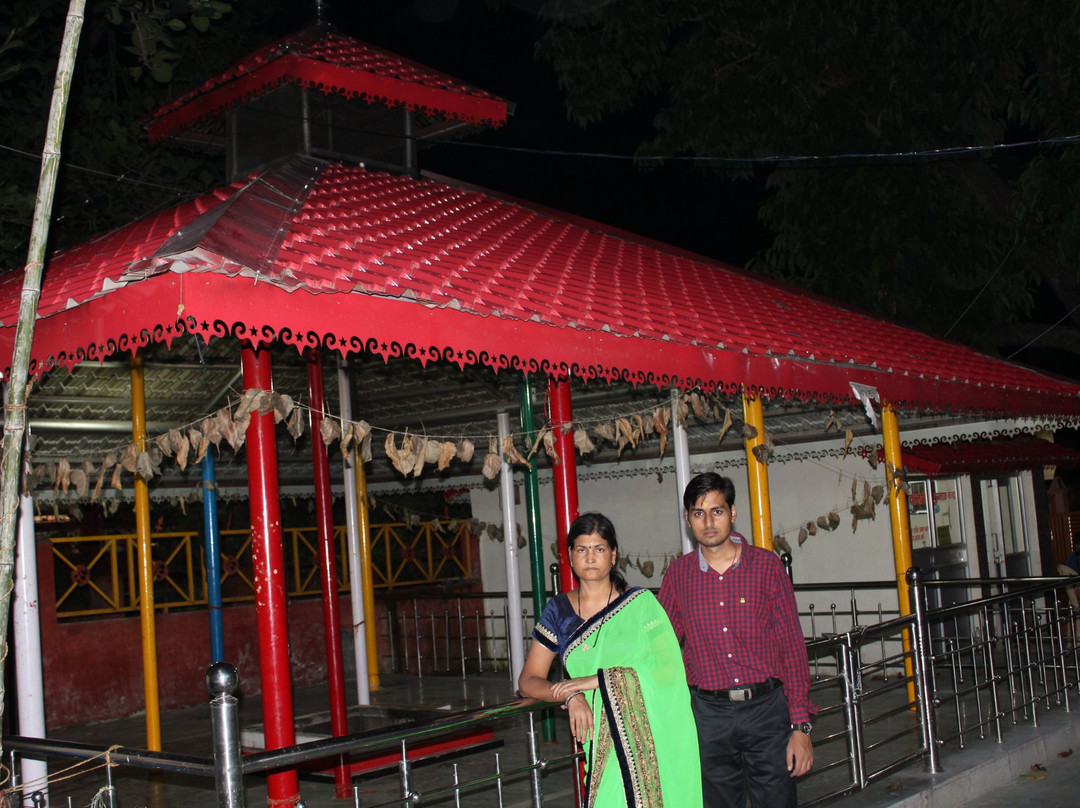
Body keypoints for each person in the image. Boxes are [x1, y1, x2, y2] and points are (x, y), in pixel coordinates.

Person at [519, 512, 702, 808]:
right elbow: (528, 680)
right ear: (569, 556)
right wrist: (572, 693)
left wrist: (597, 680)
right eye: (582, 549)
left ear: (613, 555)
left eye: (599, 548)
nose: (590, 557)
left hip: (656, 738)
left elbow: (668, 668)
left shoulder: (642, 605)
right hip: (599, 741)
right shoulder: (557, 611)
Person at [658, 472, 816, 808]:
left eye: (717, 511)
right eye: (698, 513)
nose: (709, 522)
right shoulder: (678, 576)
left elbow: (791, 647)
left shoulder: (766, 567)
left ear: (733, 513)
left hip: (767, 712)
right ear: (688, 520)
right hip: (708, 716)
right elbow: (661, 648)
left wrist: (801, 726)